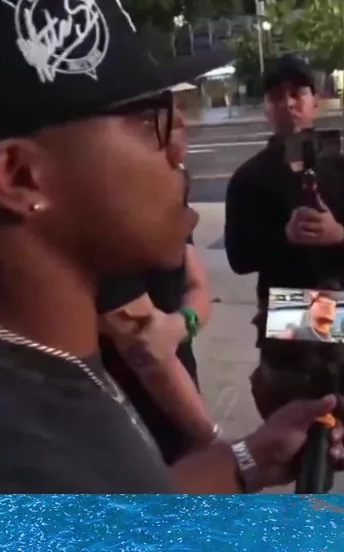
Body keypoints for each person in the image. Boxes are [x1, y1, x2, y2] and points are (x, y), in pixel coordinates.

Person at [0, 0, 344, 494]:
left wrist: (243, 461)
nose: (178, 147)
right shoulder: (3, 468)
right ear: (20, 177)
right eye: (150, 121)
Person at [223, 55, 344, 494]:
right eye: (276, 96)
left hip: (342, 303)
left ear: (315, 101)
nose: (288, 103)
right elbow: (239, 257)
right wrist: (283, 237)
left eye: (298, 93)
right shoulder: (249, 179)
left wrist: (337, 235)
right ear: (265, 108)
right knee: (299, 432)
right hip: (287, 308)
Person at [97, 164, 220, 464]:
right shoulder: (258, 174)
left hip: (326, 294)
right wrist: (214, 444)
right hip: (122, 418)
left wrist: (179, 325)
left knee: (322, 399)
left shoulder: (167, 187)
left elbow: (198, 286)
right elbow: (147, 352)